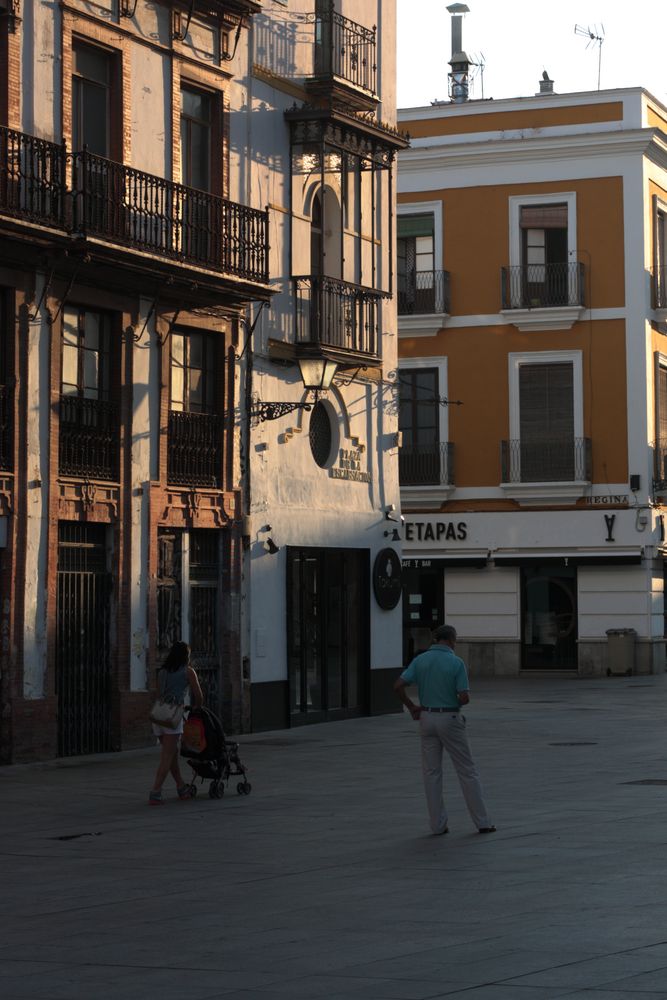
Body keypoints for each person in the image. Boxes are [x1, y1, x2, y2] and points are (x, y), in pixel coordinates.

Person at [394, 624, 496, 836]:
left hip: (426, 716)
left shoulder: (420, 660)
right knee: (466, 770)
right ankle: (482, 822)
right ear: (451, 640)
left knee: (431, 773)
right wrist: (457, 697)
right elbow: (464, 697)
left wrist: (412, 706)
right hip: (449, 717)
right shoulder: (456, 662)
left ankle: (438, 824)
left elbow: (398, 685)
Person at [149, 641, 204, 805]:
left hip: (158, 715)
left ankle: (181, 787)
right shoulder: (188, 671)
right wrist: (196, 708)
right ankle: (155, 792)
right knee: (167, 757)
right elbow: (199, 695)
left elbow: (159, 694)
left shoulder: (163, 671)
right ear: (186, 656)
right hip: (173, 716)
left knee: (171, 755)